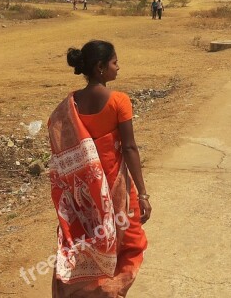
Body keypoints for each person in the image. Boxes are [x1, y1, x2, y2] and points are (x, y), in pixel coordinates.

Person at [48, 40, 150, 297]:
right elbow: (129, 148)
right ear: (100, 68)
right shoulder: (119, 101)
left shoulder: (70, 104)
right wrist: (143, 193)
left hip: (83, 194)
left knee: (85, 241)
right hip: (116, 187)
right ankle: (109, 292)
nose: (119, 67)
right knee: (127, 243)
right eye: (115, 62)